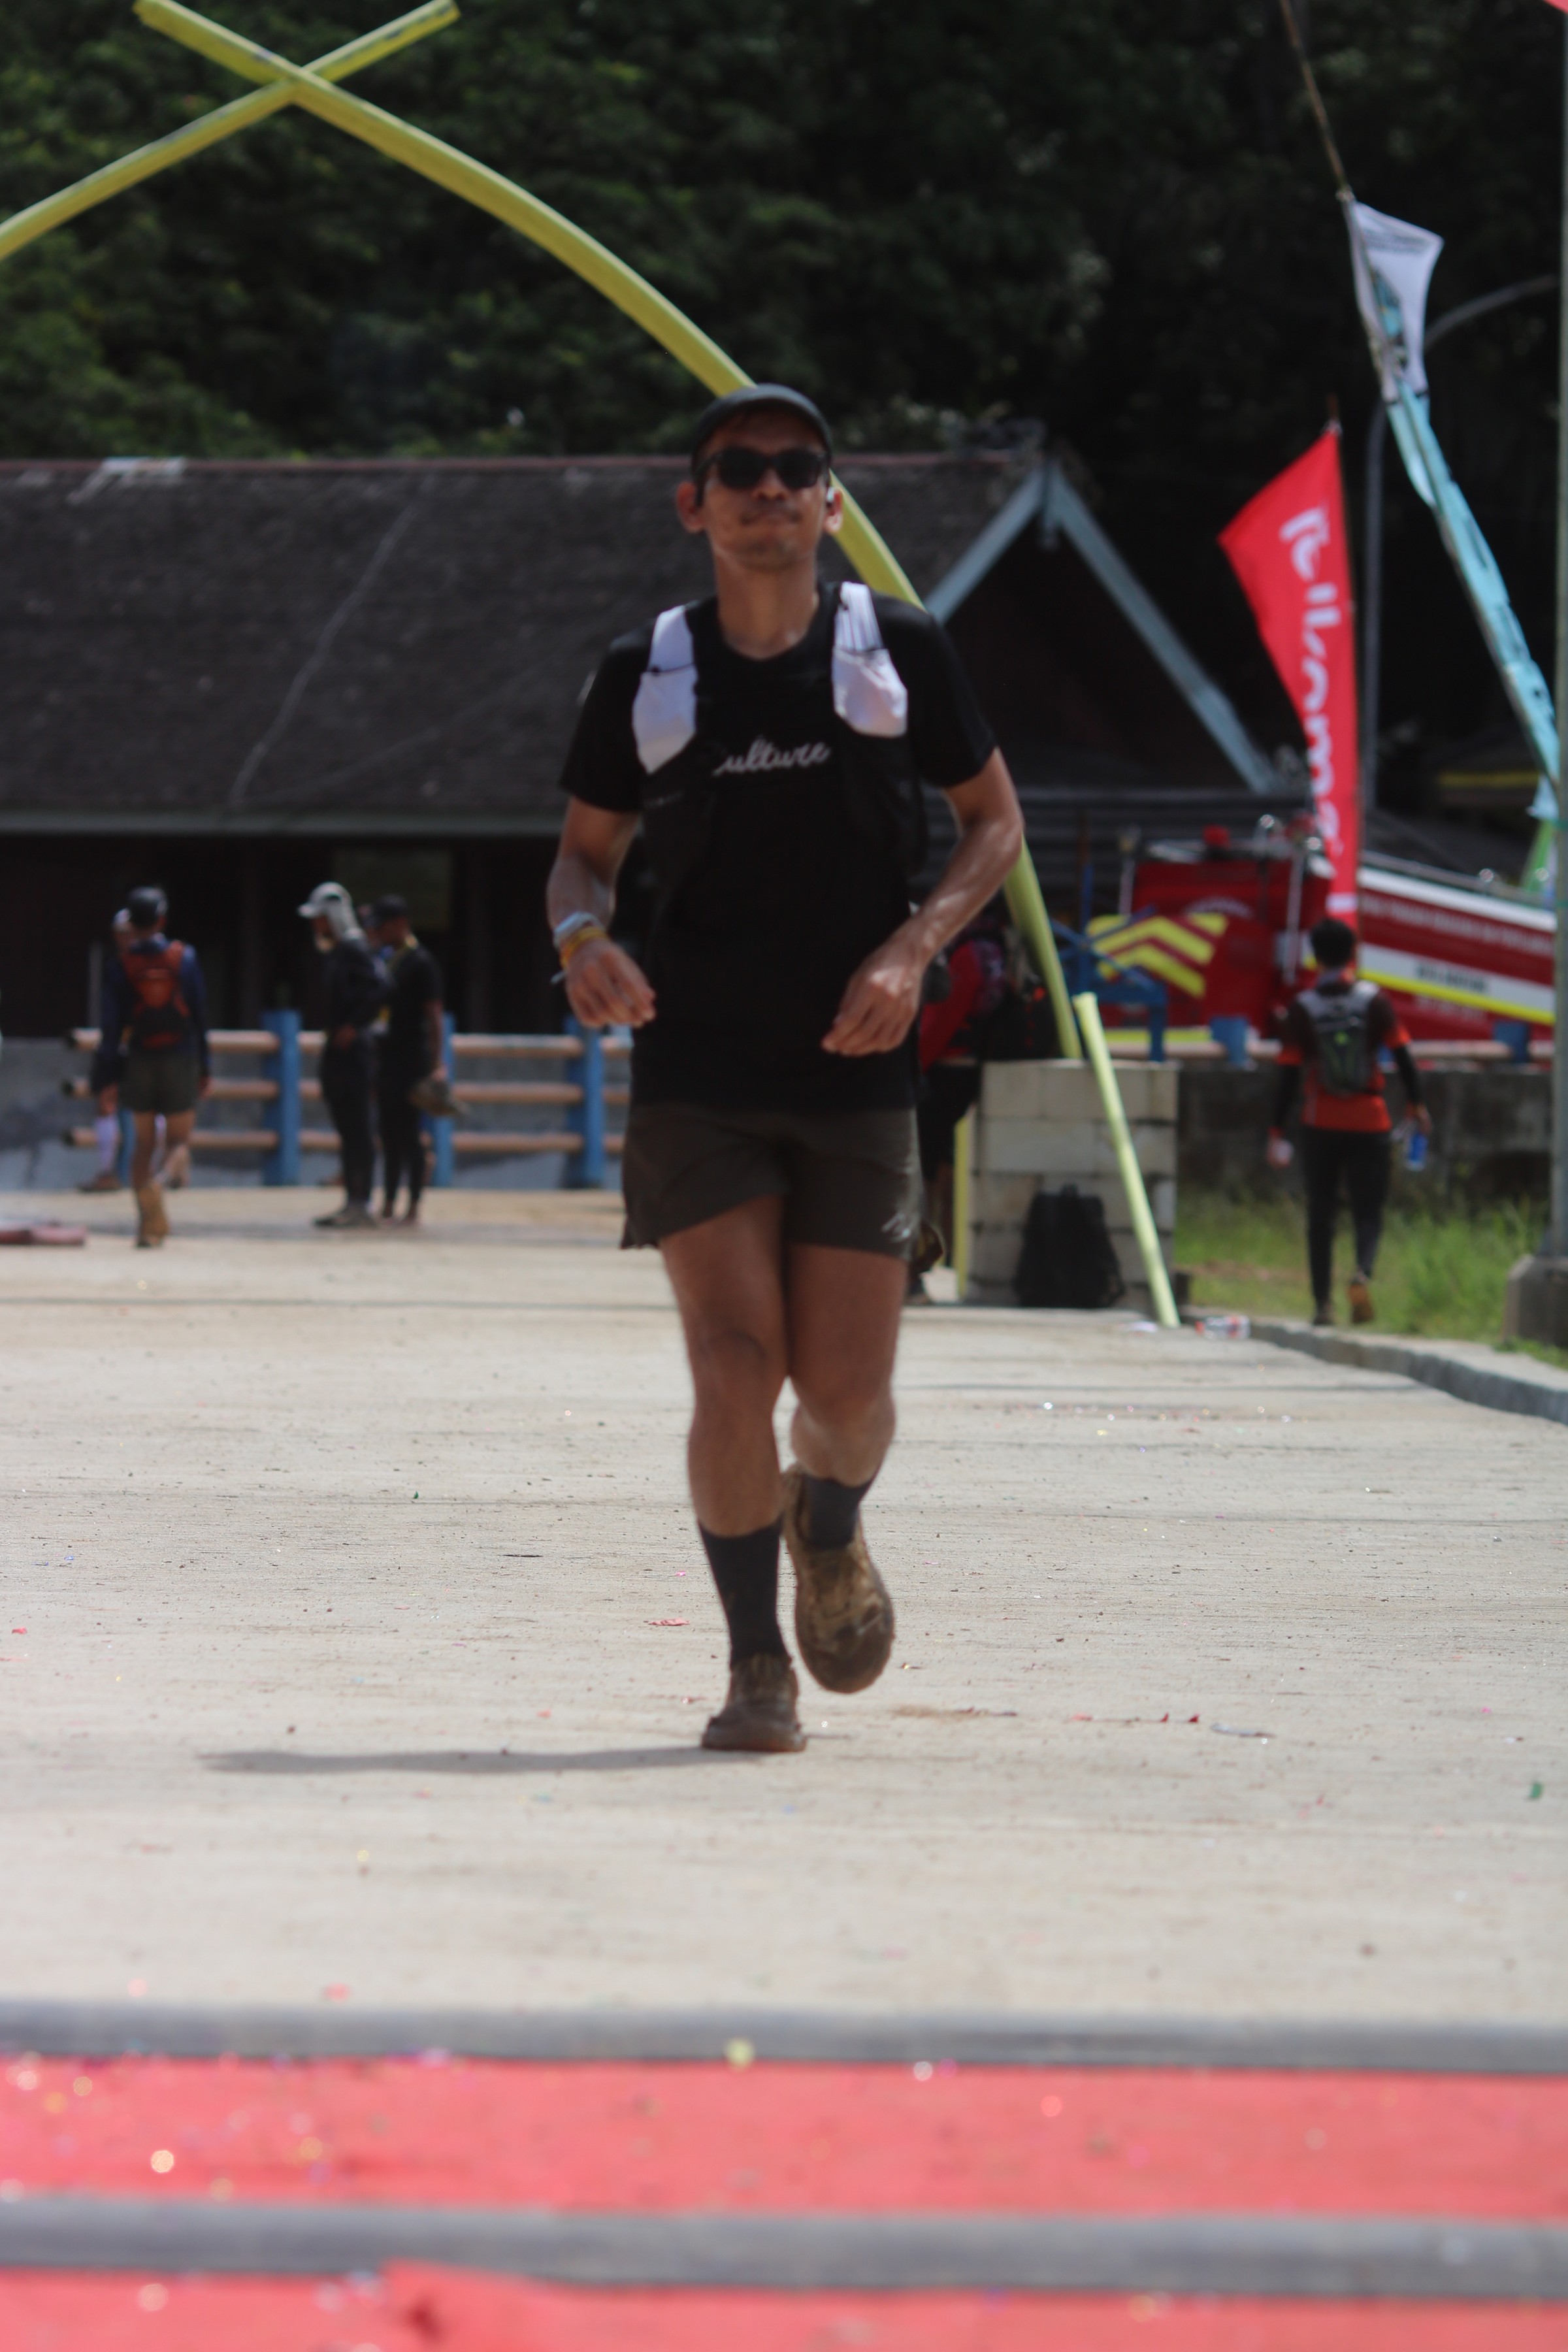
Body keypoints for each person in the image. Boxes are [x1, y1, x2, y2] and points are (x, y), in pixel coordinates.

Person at [547, 383, 1023, 1754]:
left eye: (796, 467)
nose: (769, 488)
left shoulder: (898, 651)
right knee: (732, 1366)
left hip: (856, 1071)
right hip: (698, 1067)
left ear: (832, 501)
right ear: (693, 504)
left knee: (847, 1400)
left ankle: (830, 1519)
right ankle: (757, 1662)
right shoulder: (648, 672)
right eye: (740, 467)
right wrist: (582, 938)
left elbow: (993, 823)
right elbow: (583, 855)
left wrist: (914, 949)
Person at [1267, 914, 1431, 1327]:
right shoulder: (1374, 1001)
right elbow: (1404, 1056)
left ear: (1315, 957)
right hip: (1369, 1119)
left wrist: (1277, 1132)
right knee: (1368, 1210)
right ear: (1353, 953)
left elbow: (1288, 1075)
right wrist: (1416, 1105)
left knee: (1321, 1214)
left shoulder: (1303, 1008)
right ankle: (1361, 1272)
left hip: (1320, 1119)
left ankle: (1323, 1304)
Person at [88, 887, 210, 1249]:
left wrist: (106, 1074)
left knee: (142, 1142)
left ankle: (146, 1225)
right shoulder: (184, 958)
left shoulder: (121, 965)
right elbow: (199, 1016)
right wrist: (205, 1064)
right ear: (162, 920)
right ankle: (161, 1183)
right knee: (179, 1141)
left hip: (139, 1058)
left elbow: (111, 1028)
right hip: (180, 1056)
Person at [298, 882, 385, 1230]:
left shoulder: (354, 948)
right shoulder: (338, 951)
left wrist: (354, 1024)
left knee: (359, 1127)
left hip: (355, 1051)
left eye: (319, 917)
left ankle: (361, 1202)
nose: (315, 924)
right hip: (337, 1048)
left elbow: (380, 986)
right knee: (347, 1127)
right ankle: (351, 1200)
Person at [367, 892, 445, 1224]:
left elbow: (434, 1016)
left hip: (413, 1059)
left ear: (400, 924)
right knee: (388, 1133)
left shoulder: (421, 963)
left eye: (382, 926)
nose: (378, 933)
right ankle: (387, 1201)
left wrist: (437, 1064)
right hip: (387, 1059)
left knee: (410, 1134)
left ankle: (413, 1204)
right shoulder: (387, 961)